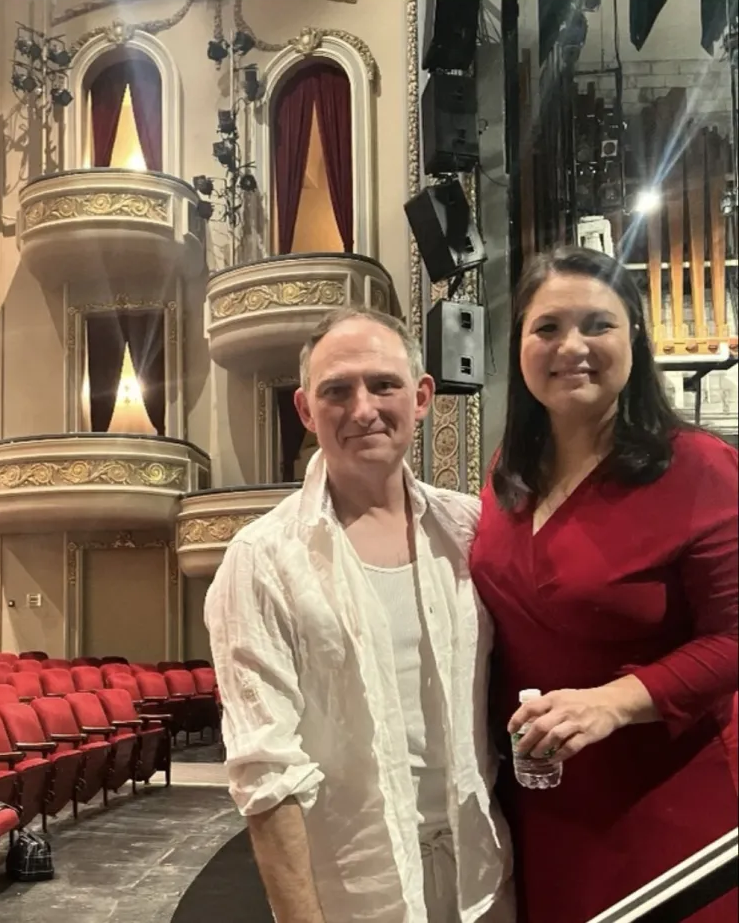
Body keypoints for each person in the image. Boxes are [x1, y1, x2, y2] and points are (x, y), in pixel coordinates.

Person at [205, 306, 514, 923]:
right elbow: (267, 776)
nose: (363, 408)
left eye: (383, 384)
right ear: (305, 409)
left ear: (421, 397)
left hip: (484, 878)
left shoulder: (470, 528)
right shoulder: (262, 558)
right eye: (337, 391)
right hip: (357, 891)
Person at [469, 246, 738, 923]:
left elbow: (734, 638)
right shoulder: (508, 475)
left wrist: (612, 703)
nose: (572, 347)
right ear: (520, 345)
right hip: (540, 799)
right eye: (548, 327)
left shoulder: (700, 468)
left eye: (598, 324)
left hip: (661, 797)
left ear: (634, 336)